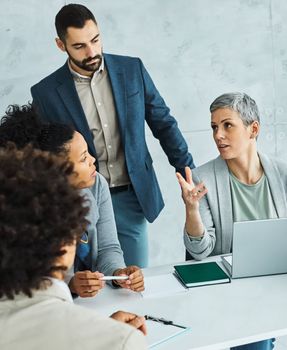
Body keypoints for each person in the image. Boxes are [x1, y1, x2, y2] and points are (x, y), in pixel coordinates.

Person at [31, 3, 194, 268]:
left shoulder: (132, 70)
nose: (92, 51)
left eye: (95, 40)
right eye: (79, 46)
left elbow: (163, 123)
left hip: (132, 196)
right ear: (61, 45)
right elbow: (47, 156)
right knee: (86, 287)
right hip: (80, 202)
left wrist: (189, 172)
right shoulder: (46, 93)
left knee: (132, 282)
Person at [177, 92, 287, 350]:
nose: (218, 135)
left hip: (279, 280)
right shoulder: (202, 178)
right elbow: (199, 251)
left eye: (227, 125)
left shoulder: (286, 172)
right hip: (232, 290)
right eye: (214, 127)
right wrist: (192, 210)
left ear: (253, 129)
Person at [0, 145, 147, 350]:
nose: (93, 160)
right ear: (67, 242)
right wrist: (110, 336)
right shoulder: (123, 341)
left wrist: (106, 329)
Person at [0, 104, 144, 298]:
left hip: (93, 303)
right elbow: (27, 279)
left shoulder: (97, 184)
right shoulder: (29, 207)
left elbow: (108, 247)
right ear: (58, 170)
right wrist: (70, 284)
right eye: (84, 158)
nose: (93, 160)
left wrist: (117, 273)